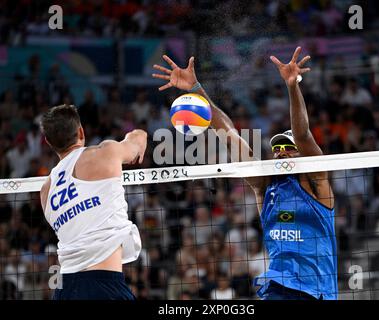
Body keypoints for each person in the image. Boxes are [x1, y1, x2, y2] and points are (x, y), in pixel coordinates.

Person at [152, 47, 337, 300]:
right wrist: (195, 89)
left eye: (288, 148)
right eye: (277, 148)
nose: (281, 152)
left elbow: (303, 134)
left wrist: (292, 86)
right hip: (278, 288)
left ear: (301, 154)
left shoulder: (316, 183)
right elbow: (230, 136)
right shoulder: (264, 187)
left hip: (318, 291)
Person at [39, 104, 147, 300]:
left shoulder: (45, 191)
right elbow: (137, 142)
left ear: (48, 142)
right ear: (81, 131)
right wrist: (139, 134)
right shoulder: (104, 153)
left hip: (64, 289)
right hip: (104, 285)